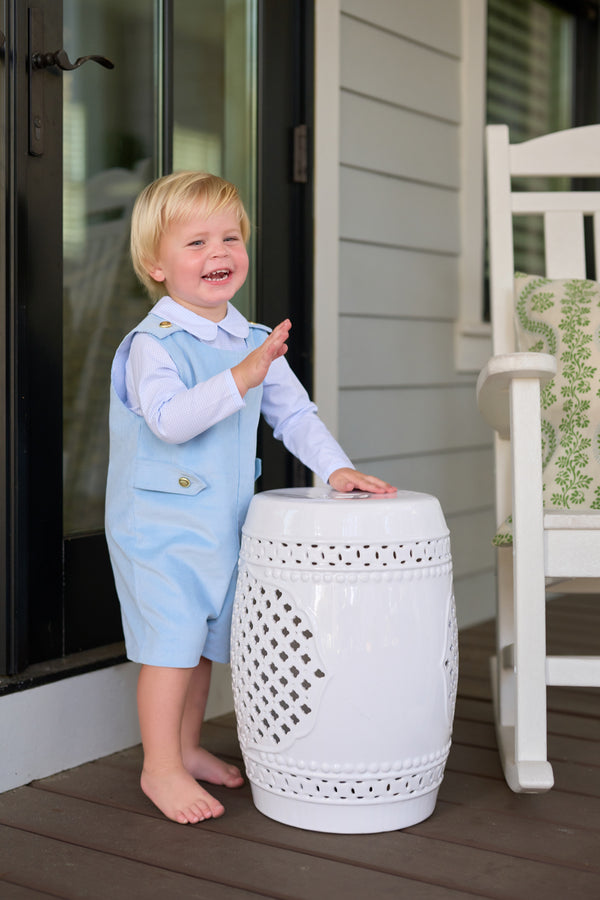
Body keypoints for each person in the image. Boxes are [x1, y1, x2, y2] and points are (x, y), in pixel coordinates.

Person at [105, 171, 396, 826]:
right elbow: (170, 421)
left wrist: (337, 469)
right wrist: (242, 376)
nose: (218, 252)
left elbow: (294, 415)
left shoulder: (250, 339)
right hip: (158, 527)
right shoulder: (153, 344)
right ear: (156, 265)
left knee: (204, 642)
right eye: (196, 242)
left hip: (223, 524)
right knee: (171, 647)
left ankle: (185, 747)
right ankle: (159, 767)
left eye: (230, 238)